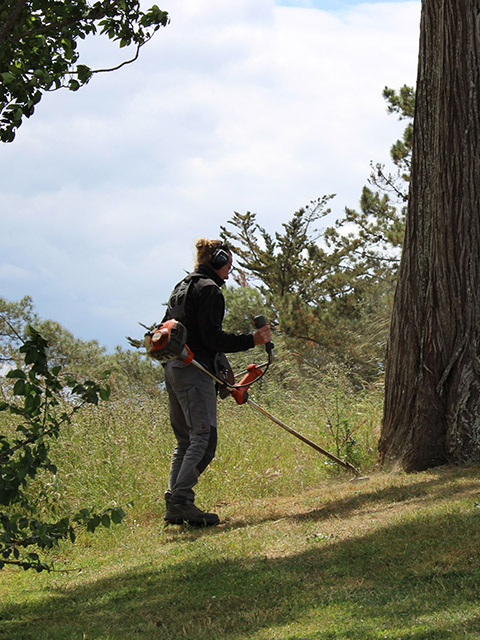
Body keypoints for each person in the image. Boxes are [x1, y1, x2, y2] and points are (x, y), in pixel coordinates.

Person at [162, 238, 272, 527]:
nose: (230, 270)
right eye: (228, 264)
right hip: (192, 370)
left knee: (185, 440)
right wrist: (253, 340)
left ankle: (176, 502)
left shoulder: (182, 287)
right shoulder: (210, 291)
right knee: (204, 439)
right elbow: (211, 338)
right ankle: (181, 500)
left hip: (174, 367)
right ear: (220, 260)